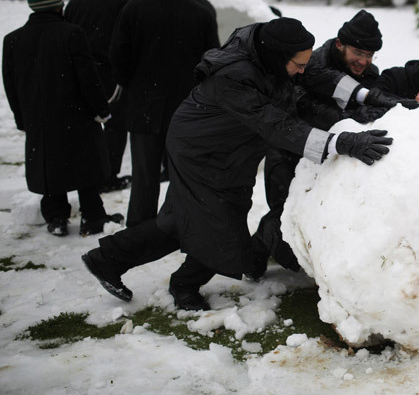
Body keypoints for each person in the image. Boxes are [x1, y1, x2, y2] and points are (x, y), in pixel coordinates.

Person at [82, 18, 393, 310]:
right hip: (202, 149)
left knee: (185, 219)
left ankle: (108, 259)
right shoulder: (234, 76)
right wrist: (341, 143)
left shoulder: (268, 54)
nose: (301, 72)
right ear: (278, 56)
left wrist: (371, 97)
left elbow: (314, 74)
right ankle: (184, 286)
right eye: (297, 65)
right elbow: (275, 125)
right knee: (222, 222)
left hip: (230, 146)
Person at [248, 10, 410, 278]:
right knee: (287, 213)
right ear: (339, 44)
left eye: (369, 55)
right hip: (290, 151)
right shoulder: (308, 62)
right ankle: (256, 250)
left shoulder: (368, 74)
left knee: (319, 214)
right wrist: (348, 118)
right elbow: (302, 105)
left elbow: (369, 103)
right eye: (358, 52)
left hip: (334, 152)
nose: (364, 61)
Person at [2, 0, 123, 236]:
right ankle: (92, 217)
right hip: (75, 115)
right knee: (85, 168)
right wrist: (101, 109)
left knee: (49, 170)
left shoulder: (12, 40)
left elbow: (10, 85)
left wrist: (22, 118)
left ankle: (56, 217)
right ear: (59, 4)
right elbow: (87, 78)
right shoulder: (72, 33)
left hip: (39, 119)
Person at [110, 0, 218, 227]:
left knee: (144, 177)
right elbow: (213, 61)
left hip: (144, 107)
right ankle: (181, 225)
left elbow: (118, 60)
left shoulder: (133, 10)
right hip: (188, 109)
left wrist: (135, 80)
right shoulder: (200, 11)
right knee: (184, 174)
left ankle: (139, 231)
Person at [65, 0, 132, 192]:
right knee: (115, 125)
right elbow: (129, 38)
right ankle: (109, 174)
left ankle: (87, 175)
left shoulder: (75, 2)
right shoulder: (122, 0)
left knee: (86, 125)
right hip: (111, 72)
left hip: (79, 71)